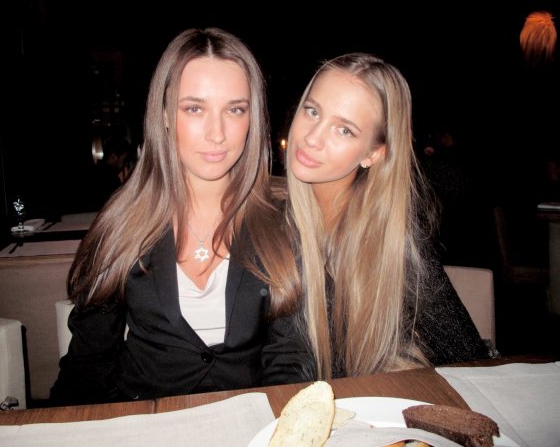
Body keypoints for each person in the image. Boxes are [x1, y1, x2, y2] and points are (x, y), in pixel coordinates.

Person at [50, 27, 308, 406]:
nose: (217, 133)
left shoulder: (285, 222)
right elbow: (88, 368)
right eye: (195, 109)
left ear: (253, 118)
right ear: (166, 115)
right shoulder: (122, 224)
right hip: (145, 422)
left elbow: (291, 360)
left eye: (235, 109)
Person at [282, 53, 491, 380]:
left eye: (344, 130)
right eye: (313, 111)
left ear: (373, 153)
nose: (311, 138)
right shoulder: (270, 227)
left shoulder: (390, 244)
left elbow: (470, 359)